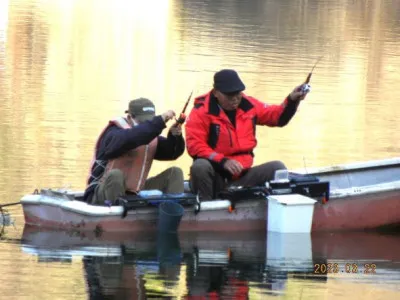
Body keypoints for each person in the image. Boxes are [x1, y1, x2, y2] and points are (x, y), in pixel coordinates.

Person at [185, 69, 309, 200]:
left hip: (242, 176)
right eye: (229, 95)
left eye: (238, 93)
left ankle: (271, 206)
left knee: (278, 168)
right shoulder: (201, 112)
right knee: (200, 166)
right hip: (215, 177)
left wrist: (292, 100)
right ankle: (206, 208)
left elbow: (277, 118)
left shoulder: (249, 105)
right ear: (216, 93)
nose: (235, 99)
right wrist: (222, 161)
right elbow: (195, 146)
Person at [83, 97, 185, 205]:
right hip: (100, 192)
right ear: (129, 117)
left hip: (135, 192)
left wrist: (175, 136)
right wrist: (159, 121)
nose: (146, 124)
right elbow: (131, 138)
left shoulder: (149, 135)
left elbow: (172, 153)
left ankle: (172, 214)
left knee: (175, 173)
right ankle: (113, 217)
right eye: (142, 121)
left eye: (149, 121)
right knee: (115, 175)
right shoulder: (113, 134)